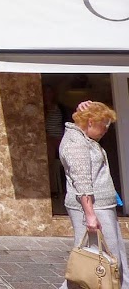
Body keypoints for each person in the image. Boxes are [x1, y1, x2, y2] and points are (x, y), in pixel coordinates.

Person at [58, 101, 128, 289]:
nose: (106, 129)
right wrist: (90, 215)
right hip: (93, 208)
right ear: (90, 122)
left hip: (102, 206)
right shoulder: (76, 142)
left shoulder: (84, 139)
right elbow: (82, 182)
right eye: (103, 124)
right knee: (99, 261)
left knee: (108, 258)